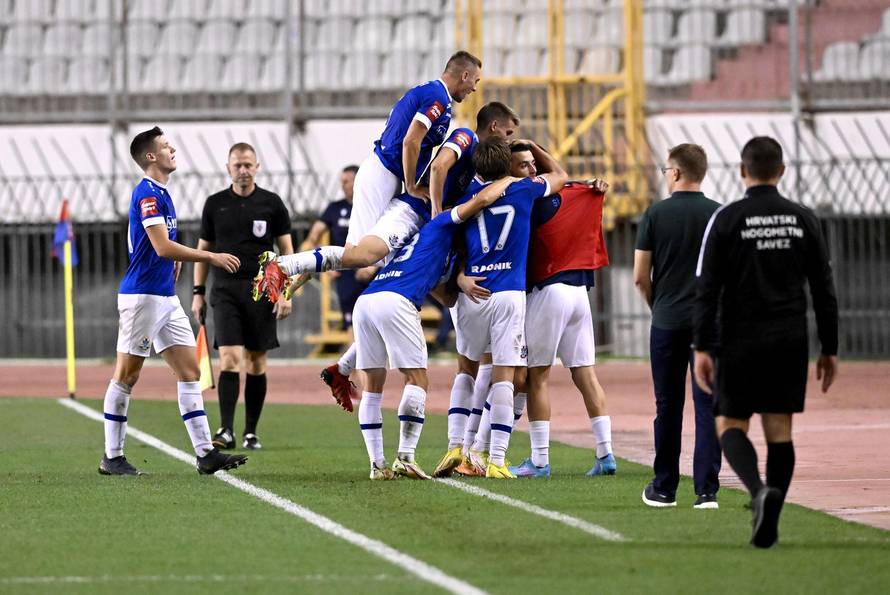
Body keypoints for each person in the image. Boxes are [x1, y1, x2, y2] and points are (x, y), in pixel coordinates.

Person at [260, 51, 483, 411]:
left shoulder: (433, 95)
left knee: (383, 274)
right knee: (361, 256)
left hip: (385, 178)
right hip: (384, 176)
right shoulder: (439, 98)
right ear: (462, 76)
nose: (474, 88)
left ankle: (333, 350)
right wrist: (411, 185)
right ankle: (283, 267)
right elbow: (411, 141)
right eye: (474, 81)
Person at [693, 136, 838, 548]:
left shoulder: (726, 219)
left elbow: (707, 288)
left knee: (729, 423)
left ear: (743, 171)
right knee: (780, 429)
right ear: (782, 171)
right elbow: (823, 289)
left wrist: (702, 346)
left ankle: (759, 493)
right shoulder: (803, 218)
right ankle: (769, 513)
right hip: (789, 337)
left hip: (739, 337)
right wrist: (830, 347)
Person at [99, 126, 247, 476]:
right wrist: (209, 258)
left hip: (164, 298)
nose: (172, 150)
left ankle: (205, 454)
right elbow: (162, 246)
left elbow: (162, 247)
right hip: (143, 298)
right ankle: (112, 456)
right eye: (166, 146)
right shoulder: (148, 194)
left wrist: (176, 260)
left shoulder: (163, 193)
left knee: (190, 371)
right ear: (151, 156)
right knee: (126, 375)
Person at [352, 175, 520, 481]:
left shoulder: (420, 238)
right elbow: (481, 201)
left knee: (372, 387)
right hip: (397, 300)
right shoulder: (443, 223)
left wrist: (458, 283)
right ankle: (406, 456)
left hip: (367, 300)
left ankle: (378, 465)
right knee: (417, 379)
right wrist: (510, 179)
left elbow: (442, 294)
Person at [449, 137, 567, 478]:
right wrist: (536, 147)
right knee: (506, 375)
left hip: (472, 292)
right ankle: (496, 460)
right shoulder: (525, 189)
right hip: (507, 293)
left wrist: (458, 278)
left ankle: (457, 447)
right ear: (507, 165)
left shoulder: (465, 197)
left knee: (467, 370)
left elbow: (453, 243)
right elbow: (559, 175)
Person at [506, 141, 616, 479]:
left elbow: (558, 178)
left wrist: (527, 150)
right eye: (522, 164)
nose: (530, 169)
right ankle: (605, 454)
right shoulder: (569, 191)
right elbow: (565, 179)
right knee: (585, 374)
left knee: (537, 376)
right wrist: (592, 186)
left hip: (550, 290)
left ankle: (539, 461)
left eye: (530, 163)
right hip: (579, 291)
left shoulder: (525, 196)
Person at [633, 143, 723, 509]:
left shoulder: (655, 215)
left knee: (668, 405)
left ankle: (664, 487)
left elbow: (641, 276)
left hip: (667, 322)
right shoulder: (720, 215)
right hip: (710, 326)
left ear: (676, 173)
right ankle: (706, 491)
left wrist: (661, 307)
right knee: (708, 405)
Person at [191, 142, 293, 452]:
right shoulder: (215, 204)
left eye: (248, 164)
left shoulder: (272, 204)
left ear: (257, 167)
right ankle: (225, 430)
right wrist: (198, 293)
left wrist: (285, 293)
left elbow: (288, 252)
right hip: (224, 292)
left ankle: (250, 432)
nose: (243, 170)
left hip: (262, 290)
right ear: (228, 168)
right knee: (230, 359)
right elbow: (202, 252)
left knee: (256, 361)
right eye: (238, 165)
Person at [301, 164, 376, 331]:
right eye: (341, 182)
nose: (343, 185)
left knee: (375, 321)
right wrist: (328, 263)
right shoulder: (335, 208)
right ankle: (356, 358)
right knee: (352, 322)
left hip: (372, 268)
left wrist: (373, 267)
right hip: (347, 271)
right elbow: (314, 236)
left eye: (347, 181)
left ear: (358, 181)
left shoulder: (372, 204)